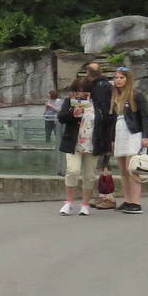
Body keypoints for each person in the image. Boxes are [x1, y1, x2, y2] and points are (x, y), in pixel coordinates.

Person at [109, 65, 148, 214]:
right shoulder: (115, 97)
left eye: (122, 77)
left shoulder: (136, 95)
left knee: (132, 169)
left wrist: (145, 136)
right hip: (120, 134)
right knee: (123, 171)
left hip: (133, 134)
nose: (118, 80)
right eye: (117, 77)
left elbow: (144, 117)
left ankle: (136, 202)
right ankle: (127, 200)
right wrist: (112, 139)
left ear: (128, 79)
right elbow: (113, 119)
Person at [57, 77, 102, 216]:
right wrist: (73, 113)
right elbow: (61, 118)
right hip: (73, 142)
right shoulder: (69, 102)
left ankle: (85, 204)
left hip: (91, 143)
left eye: (84, 91)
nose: (81, 94)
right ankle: (69, 202)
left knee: (89, 175)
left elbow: (105, 121)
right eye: (77, 91)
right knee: (72, 170)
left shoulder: (97, 103)